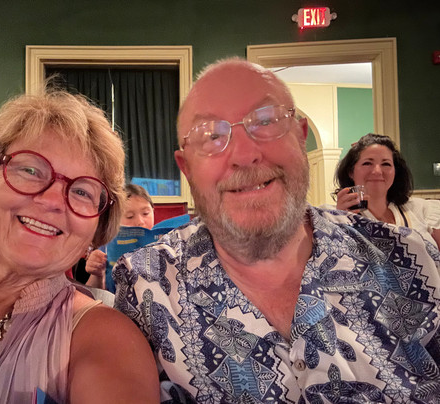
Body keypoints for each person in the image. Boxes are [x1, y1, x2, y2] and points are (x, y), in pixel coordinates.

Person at [112, 58, 440, 403]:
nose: (244, 155)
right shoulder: (145, 286)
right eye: (212, 136)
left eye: (266, 121)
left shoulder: (413, 258)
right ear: (187, 168)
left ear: (301, 137)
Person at [0, 90, 159, 403]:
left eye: (82, 192)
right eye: (31, 170)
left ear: (93, 233)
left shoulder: (107, 338)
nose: (52, 201)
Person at [334, 133, 440, 248]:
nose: (377, 171)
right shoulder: (335, 216)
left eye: (386, 164)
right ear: (351, 172)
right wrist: (340, 221)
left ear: (395, 171)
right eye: (367, 163)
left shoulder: (420, 209)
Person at [84, 183, 155, 291]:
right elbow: (93, 294)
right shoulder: (106, 247)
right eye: (130, 216)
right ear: (115, 219)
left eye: (145, 213)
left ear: (153, 211)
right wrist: (97, 275)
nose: (140, 222)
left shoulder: (161, 239)